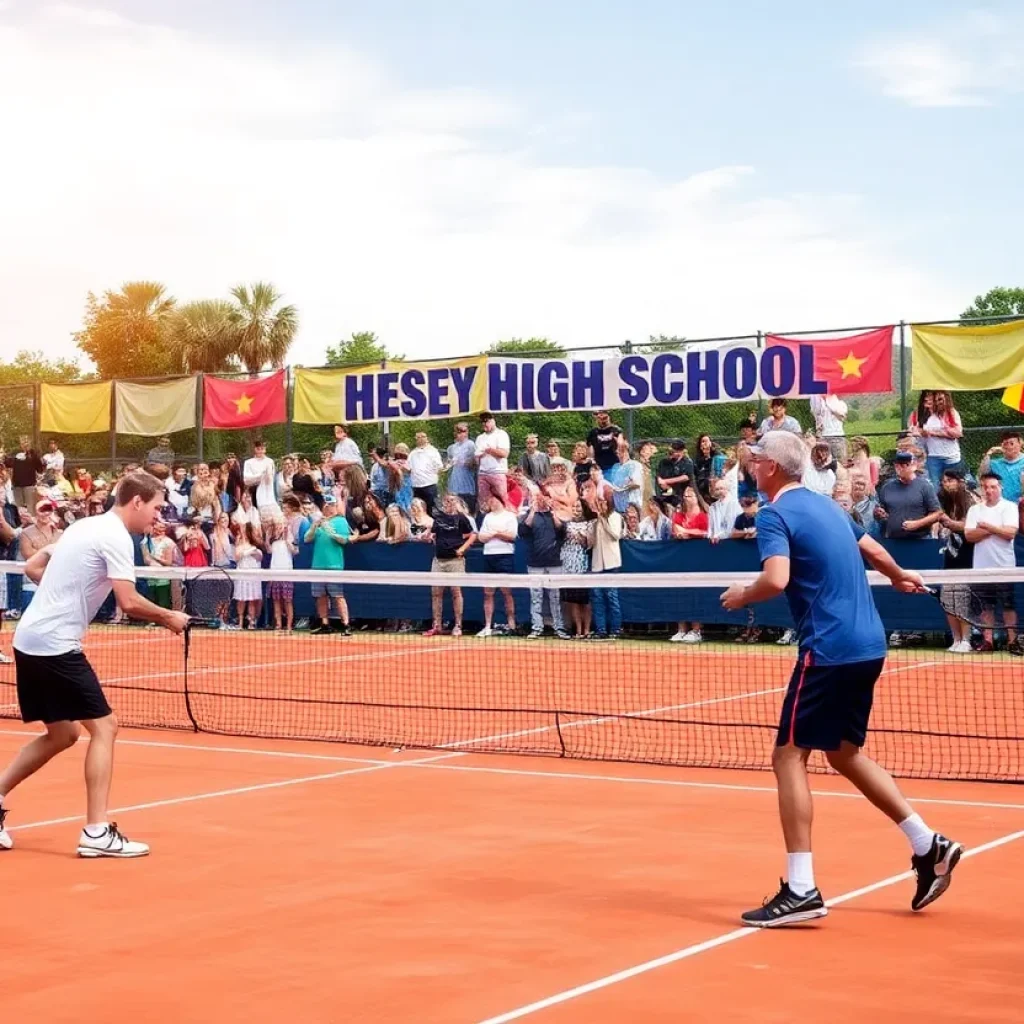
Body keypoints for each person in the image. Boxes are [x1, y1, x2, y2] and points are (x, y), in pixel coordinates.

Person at [719, 431, 961, 926]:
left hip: (828, 650)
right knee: (843, 752)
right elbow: (873, 549)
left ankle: (802, 888)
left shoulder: (773, 514)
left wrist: (744, 594)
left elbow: (777, 579)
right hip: (868, 644)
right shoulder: (831, 508)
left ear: (770, 468)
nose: (750, 462)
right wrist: (898, 575)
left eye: (755, 457)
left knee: (788, 755)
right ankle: (926, 843)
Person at [0, 472, 190, 857]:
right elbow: (130, 602)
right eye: (155, 508)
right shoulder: (117, 537)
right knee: (105, 726)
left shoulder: (84, 526)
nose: (157, 516)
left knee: (63, 735)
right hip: (55, 644)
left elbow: (35, 566)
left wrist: (67, 592)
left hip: (29, 639)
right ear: (136, 502)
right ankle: (97, 831)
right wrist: (170, 616)